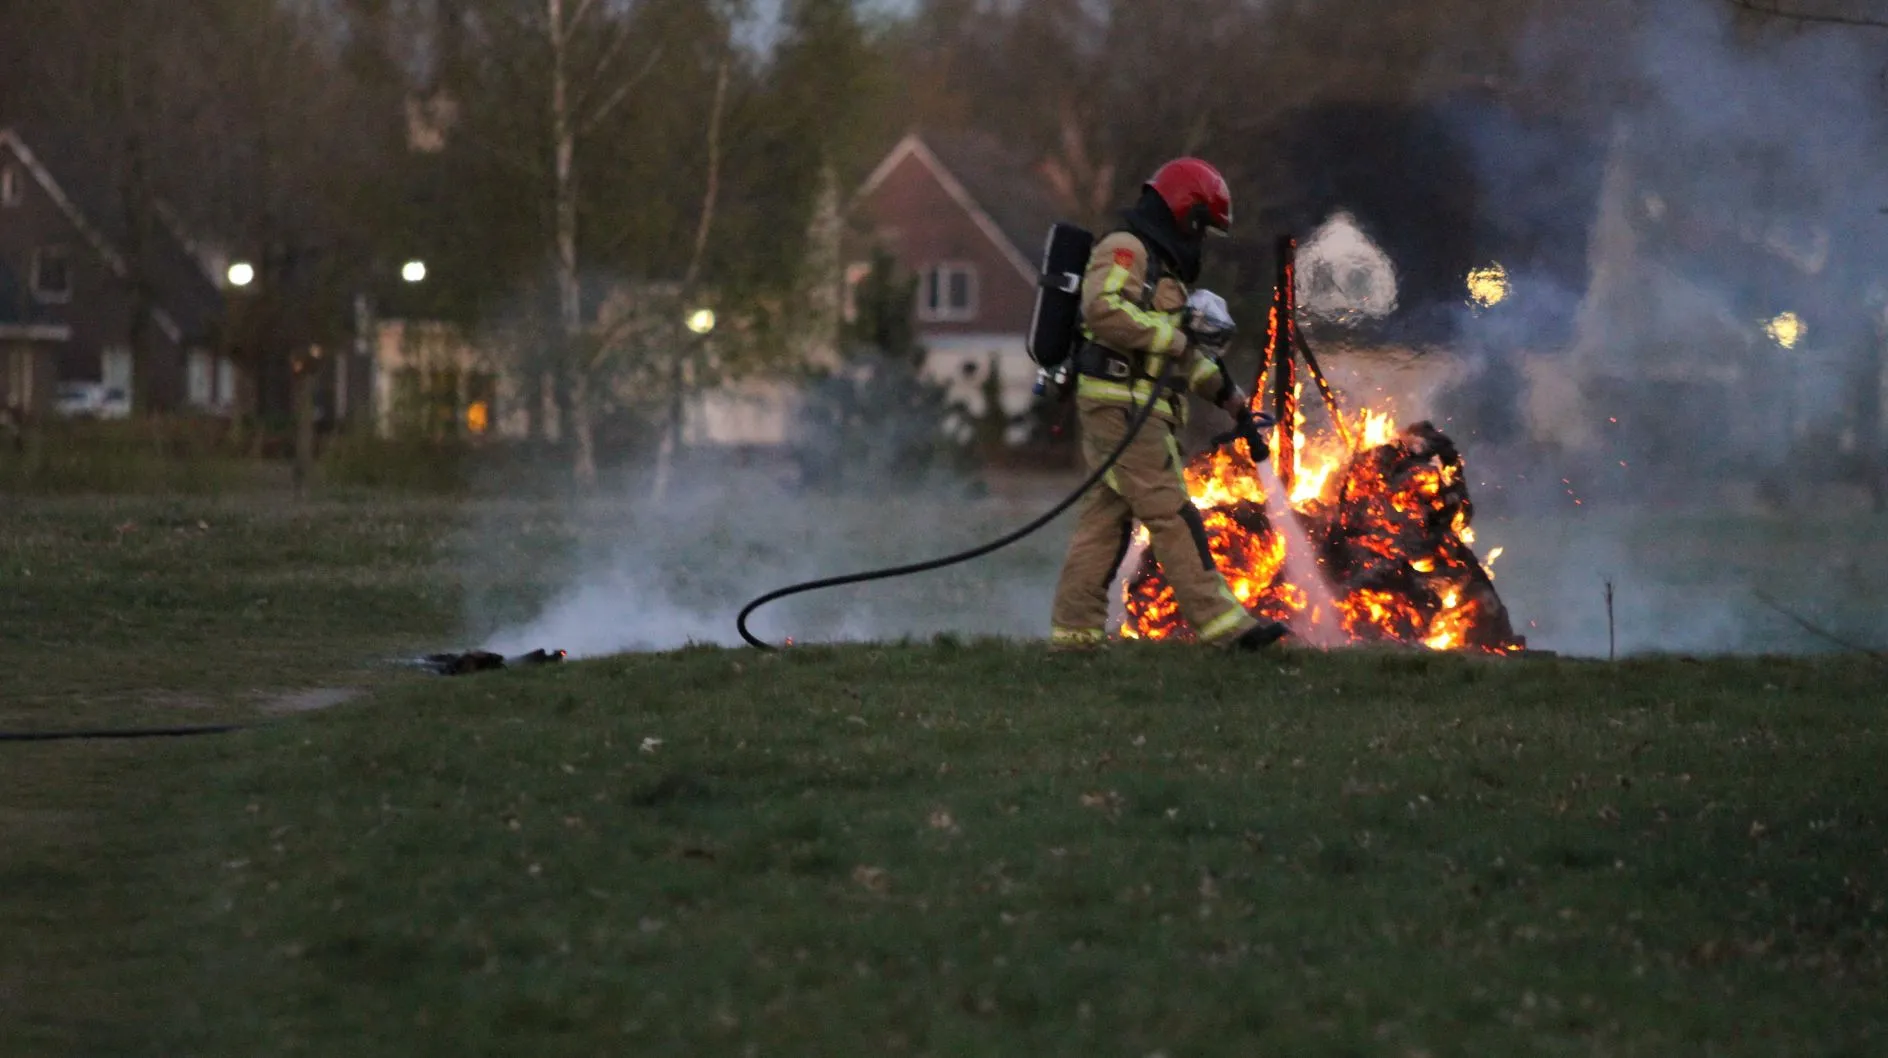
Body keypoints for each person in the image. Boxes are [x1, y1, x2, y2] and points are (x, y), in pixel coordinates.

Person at [1049, 158, 1290, 651]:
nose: (1200, 239)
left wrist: (1229, 398)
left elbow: (1180, 355)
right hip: (1119, 406)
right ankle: (1225, 627)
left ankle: (1073, 636)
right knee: (1172, 513)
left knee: (1105, 520)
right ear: (1184, 210)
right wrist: (1174, 337)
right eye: (1201, 226)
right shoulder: (1125, 249)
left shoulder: (1166, 272)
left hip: (1135, 408)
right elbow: (1103, 310)